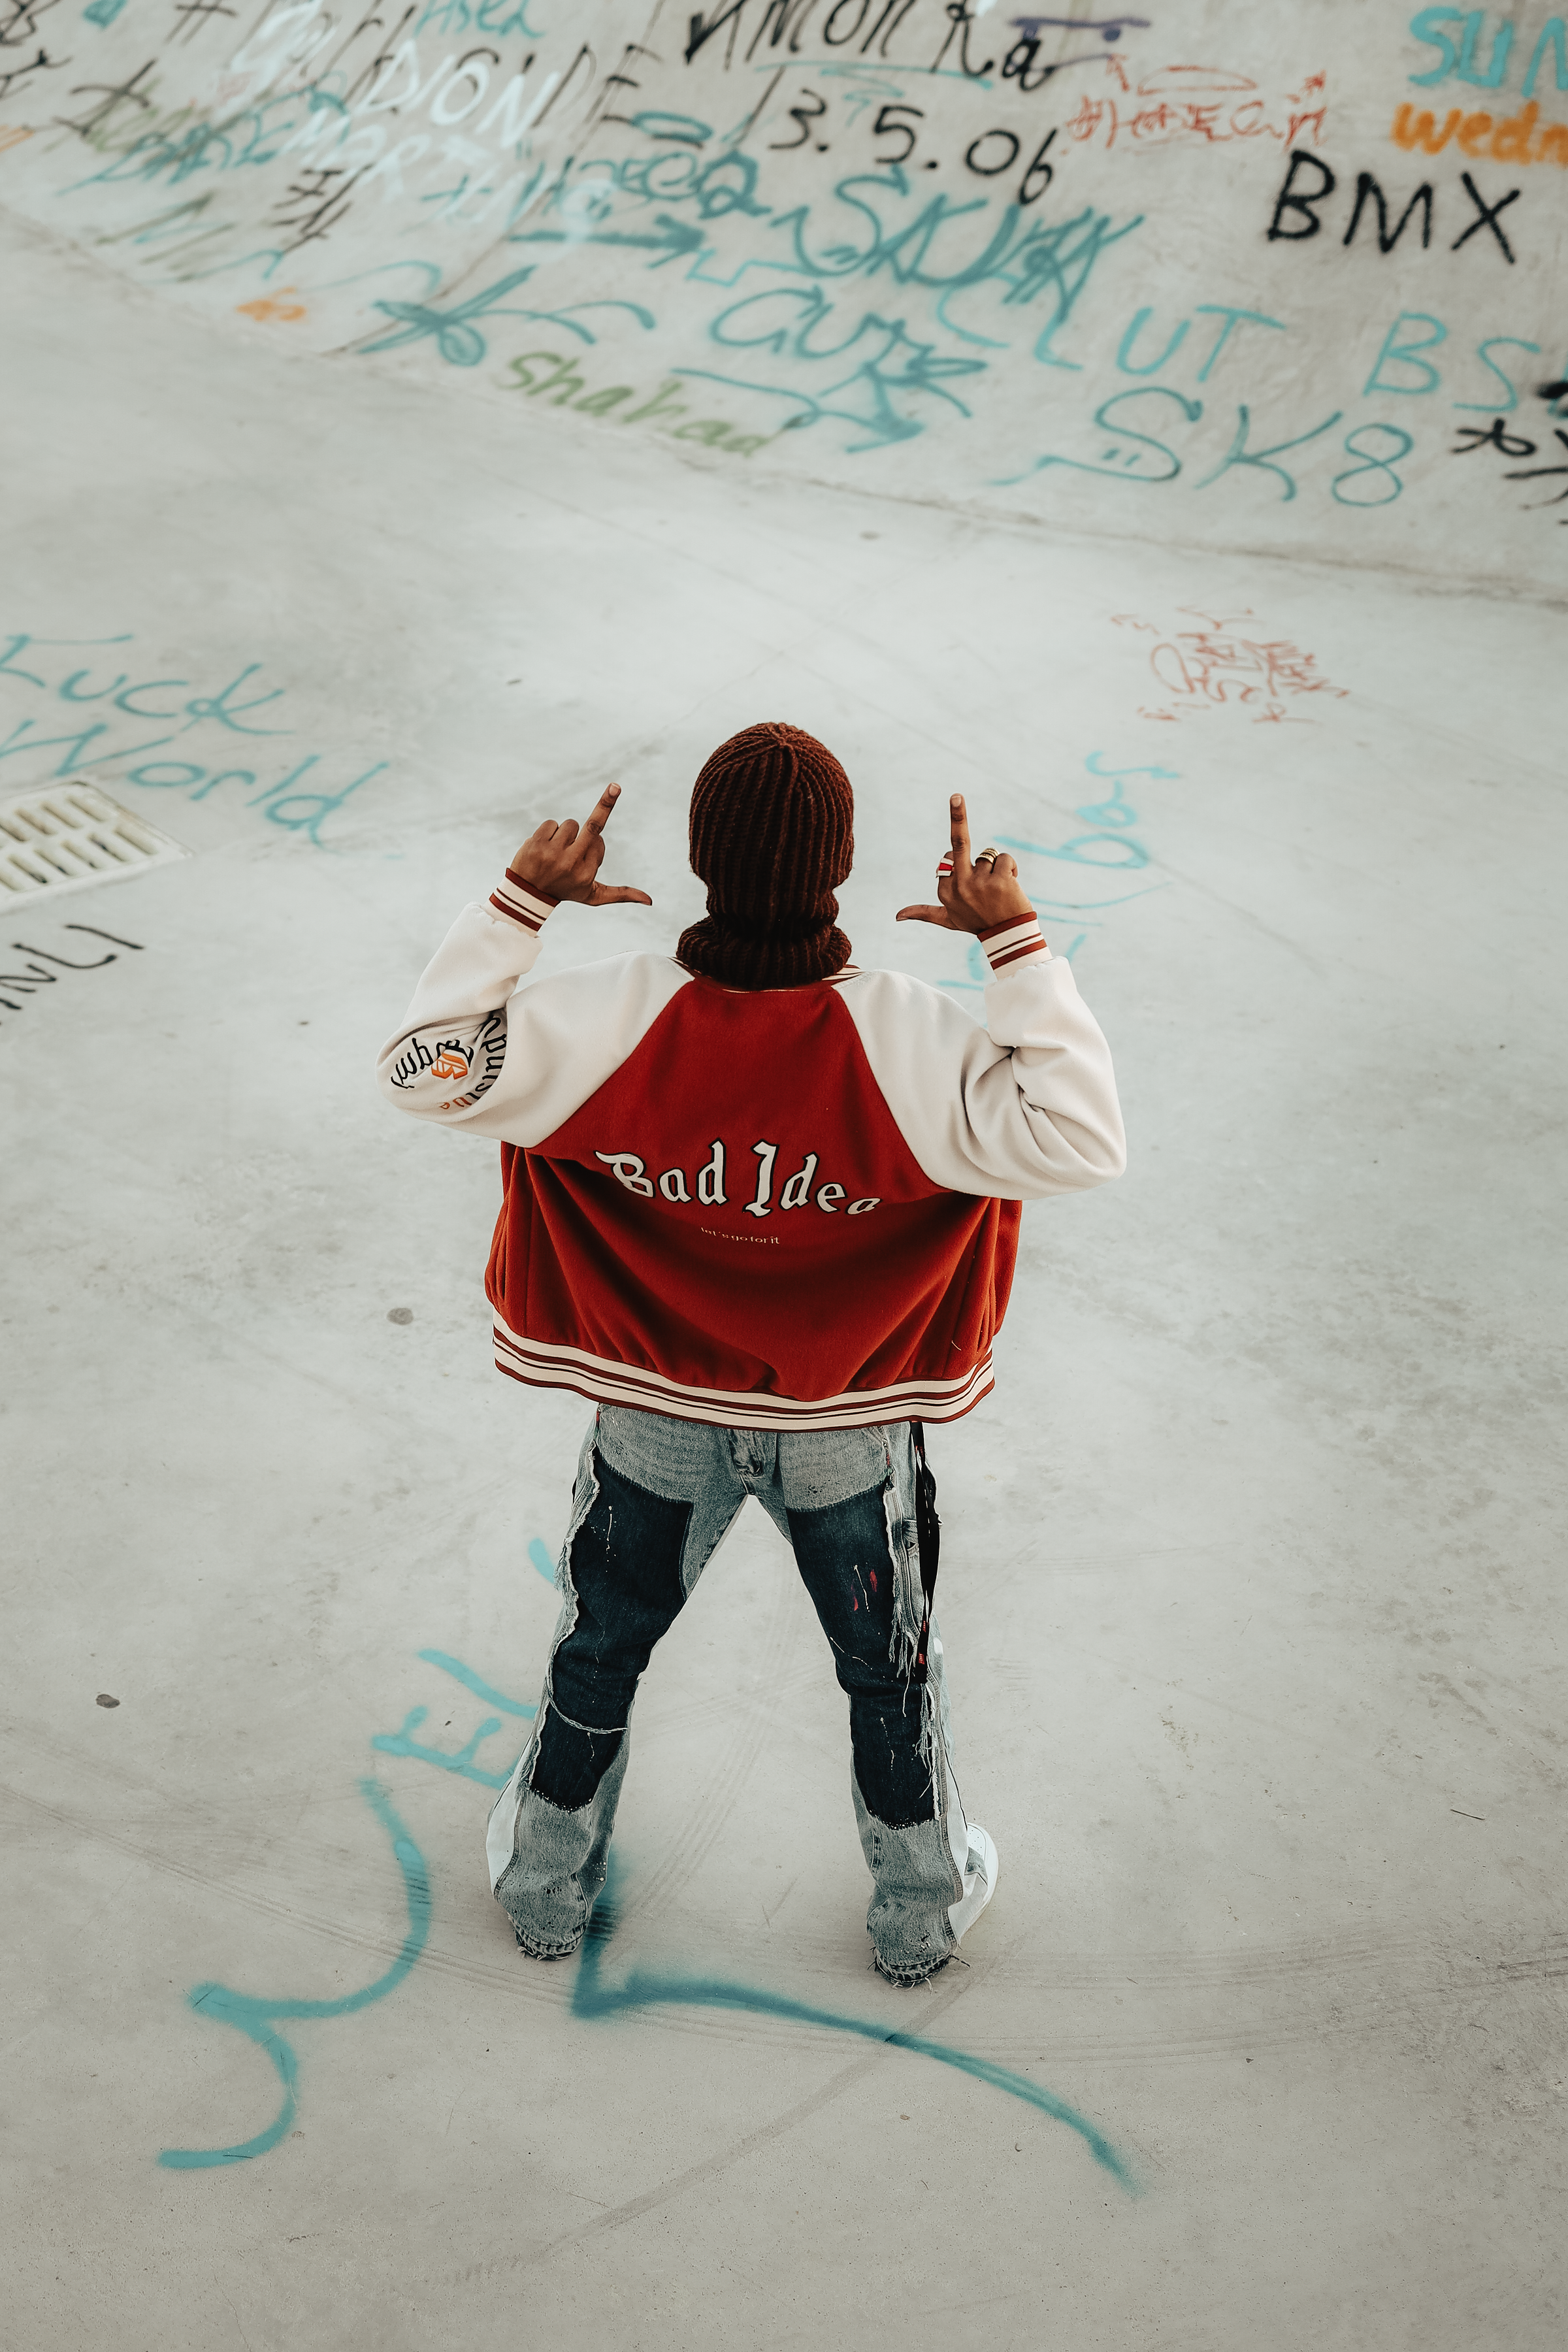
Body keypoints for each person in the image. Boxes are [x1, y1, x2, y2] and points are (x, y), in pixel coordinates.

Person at [376, 722, 1125, 1986]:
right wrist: (1015, 944)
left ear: (694, 858)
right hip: (848, 1424)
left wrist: (521, 904)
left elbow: (423, 1071)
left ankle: (547, 1889)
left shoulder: (600, 1021)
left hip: (655, 1413)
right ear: (839, 867)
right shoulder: (915, 1037)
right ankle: (917, 1920)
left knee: (601, 1648)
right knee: (887, 1669)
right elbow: (1080, 1139)